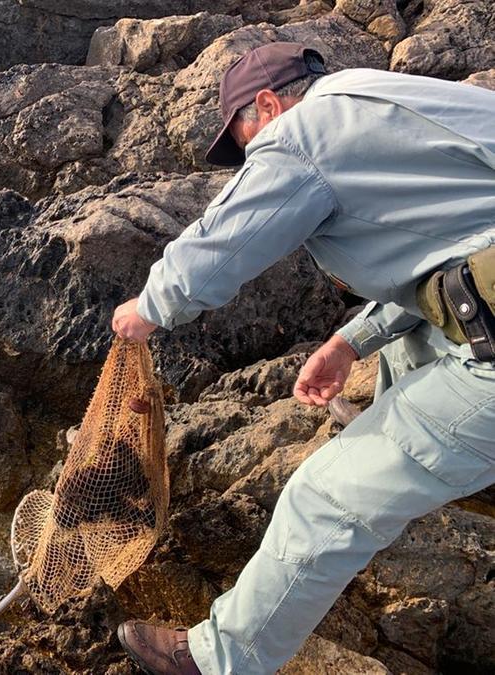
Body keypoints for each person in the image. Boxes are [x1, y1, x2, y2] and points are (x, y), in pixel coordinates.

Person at [111, 42, 495, 675]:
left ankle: (218, 660)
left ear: (269, 103)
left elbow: (225, 239)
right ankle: (424, 458)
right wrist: (351, 342)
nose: (248, 161)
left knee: (321, 496)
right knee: (411, 341)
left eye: (245, 145)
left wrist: (147, 308)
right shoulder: (382, 96)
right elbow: (451, 248)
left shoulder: (301, 133)